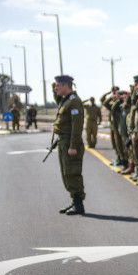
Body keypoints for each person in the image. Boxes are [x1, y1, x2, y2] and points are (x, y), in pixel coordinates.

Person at [52, 75, 86, 215]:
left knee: (72, 173)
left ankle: (78, 205)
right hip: (64, 142)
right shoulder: (65, 101)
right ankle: (74, 202)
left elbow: (76, 126)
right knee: (66, 173)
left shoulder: (74, 102)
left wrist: (73, 145)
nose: (55, 88)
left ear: (66, 86)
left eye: (58, 86)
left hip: (70, 143)